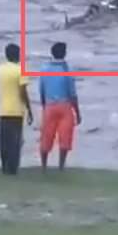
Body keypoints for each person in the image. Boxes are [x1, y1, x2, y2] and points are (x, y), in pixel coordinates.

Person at [39, 42, 82, 171]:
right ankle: (61, 166)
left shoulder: (44, 69)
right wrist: (78, 113)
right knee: (65, 138)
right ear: (64, 53)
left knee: (46, 136)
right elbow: (73, 95)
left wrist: (44, 106)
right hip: (64, 106)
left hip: (49, 106)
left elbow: (42, 90)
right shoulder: (67, 71)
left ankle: (44, 166)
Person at [0, 44, 33, 175]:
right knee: (15, 142)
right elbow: (23, 92)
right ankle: (13, 168)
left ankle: (4, 166)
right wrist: (29, 108)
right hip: (16, 110)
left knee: (4, 140)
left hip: (3, 109)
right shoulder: (21, 70)